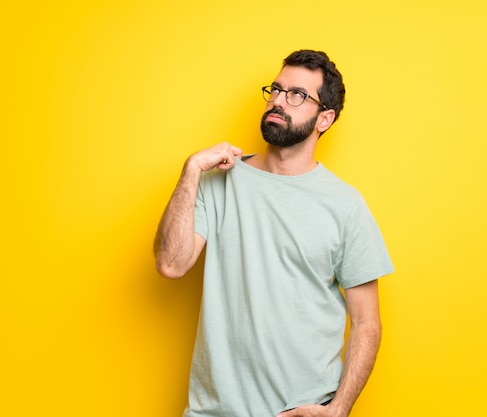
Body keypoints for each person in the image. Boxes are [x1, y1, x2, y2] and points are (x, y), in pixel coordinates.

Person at [154, 49, 394, 417]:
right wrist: (191, 170)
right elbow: (170, 264)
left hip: (300, 410)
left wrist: (339, 410)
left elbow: (367, 321)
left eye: (297, 95)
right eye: (276, 90)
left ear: (324, 118)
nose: (279, 102)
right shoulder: (218, 182)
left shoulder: (345, 205)